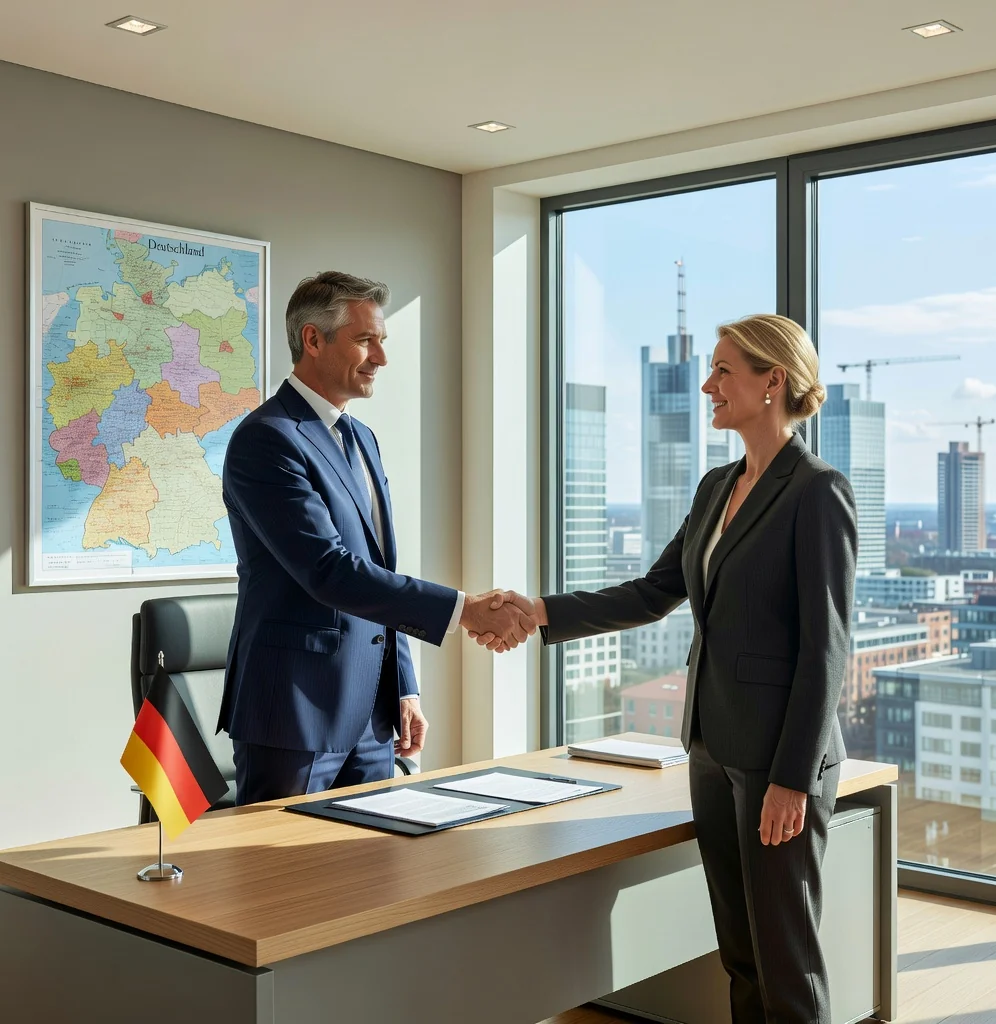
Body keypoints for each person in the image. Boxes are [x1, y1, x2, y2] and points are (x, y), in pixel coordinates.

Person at [479, 314, 857, 1023]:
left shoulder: (816, 491)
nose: (707, 385)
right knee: (741, 955)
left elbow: (826, 649)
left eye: (722, 370)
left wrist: (791, 779)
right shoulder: (718, 487)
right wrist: (537, 610)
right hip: (712, 748)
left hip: (779, 759)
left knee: (787, 960)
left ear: (772, 380)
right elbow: (653, 593)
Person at [218, 271, 535, 804]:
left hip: (373, 719)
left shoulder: (361, 437)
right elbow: (330, 570)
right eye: (366, 340)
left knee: (378, 873)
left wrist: (403, 686)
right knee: (283, 881)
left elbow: (380, 570)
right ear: (313, 339)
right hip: (295, 716)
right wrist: (465, 609)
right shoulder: (266, 440)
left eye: (381, 341)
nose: (380, 358)